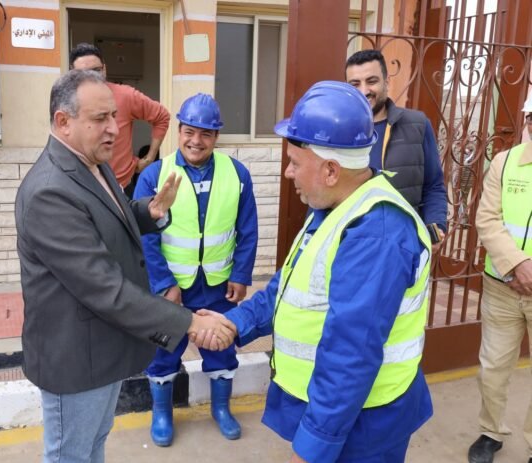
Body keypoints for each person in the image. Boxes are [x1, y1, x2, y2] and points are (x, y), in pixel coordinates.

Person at [200, 81, 434, 462]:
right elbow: (286, 289)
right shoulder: (334, 208)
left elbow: (350, 355)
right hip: (344, 415)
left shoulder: (375, 233)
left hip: (365, 425)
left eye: (295, 163)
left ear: (330, 170)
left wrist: (312, 449)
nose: (287, 173)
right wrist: (235, 323)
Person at [15, 70, 235, 463]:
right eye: (100, 119)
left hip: (102, 347)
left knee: (94, 444)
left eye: (114, 117)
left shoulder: (92, 164)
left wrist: (150, 211)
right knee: (71, 456)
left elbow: (107, 219)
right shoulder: (50, 191)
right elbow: (104, 288)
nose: (115, 129)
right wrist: (188, 322)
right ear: (63, 122)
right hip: (75, 357)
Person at [134, 93, 258, 446]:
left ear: (216, 137)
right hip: (171, 289)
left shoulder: (237, 174)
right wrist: (163, 284)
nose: (196, 141)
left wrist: (241, 274)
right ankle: (162, 413)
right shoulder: (155, 175)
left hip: (218, 286)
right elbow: (145, 237)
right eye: (189, 132)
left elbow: (248, 229)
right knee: (164, 351)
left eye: (206, 133)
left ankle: (221, 409)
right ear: (179, 132)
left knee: (221, 347)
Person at [467, 97, 532, 463]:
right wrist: (517, 265)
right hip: (502, 286)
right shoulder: (505, 163)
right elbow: (487, 218)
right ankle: (490, 431)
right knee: (492, 369)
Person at [345, 49, 447, 251]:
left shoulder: (417, 125)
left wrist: (435, 226)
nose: (364, 90)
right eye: (355, 84)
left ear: (386, 82)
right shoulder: (337, 129)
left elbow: (433, 185)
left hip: (403, 246)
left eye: (371, 81)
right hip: (350, 246)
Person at [69, 42, 169, 197]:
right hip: (82, 190)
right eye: (83, 73)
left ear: (104, 69)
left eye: (96, 71)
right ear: (72, 74)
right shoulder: (67, 102)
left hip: (120, 189)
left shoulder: (125, 96)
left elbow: (162, 116)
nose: (91, 78)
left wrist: (149, 158)